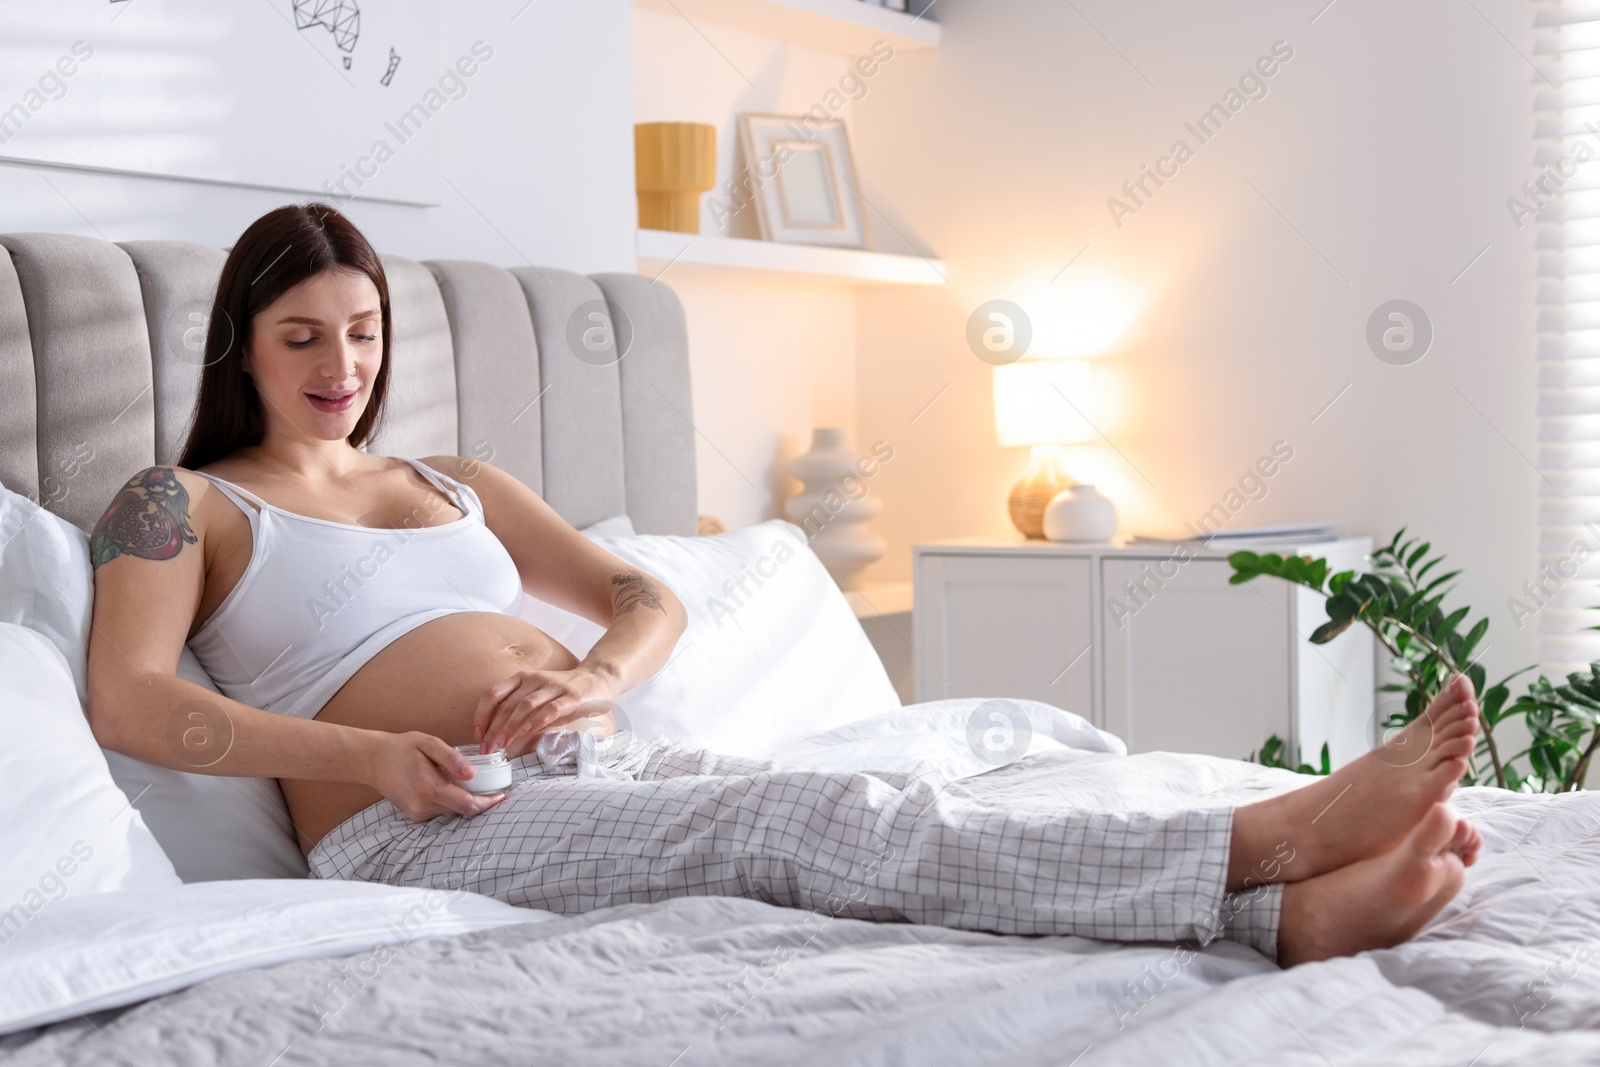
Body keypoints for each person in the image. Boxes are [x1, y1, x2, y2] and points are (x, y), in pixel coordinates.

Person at [87, 202, 1482, 969]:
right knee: (819, 816)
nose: (342, 367)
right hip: (419, 822)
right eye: (302, 337)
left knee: (866, 821)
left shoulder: (455, 479)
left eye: (365, 332)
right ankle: (1260, 844)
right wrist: (370, 757)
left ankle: (1277, 916)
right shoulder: (178, 504)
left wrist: (592, 677)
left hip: (593, 761)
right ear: (242, 348)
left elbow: (648, 601)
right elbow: (133, 703)